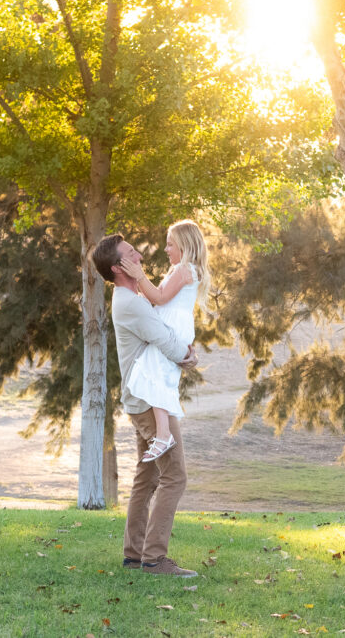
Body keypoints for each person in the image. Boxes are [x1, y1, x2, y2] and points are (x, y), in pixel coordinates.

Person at [90, 233, 199, 577]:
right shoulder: (131, 303)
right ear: (118, 267)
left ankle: (134, 554)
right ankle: (154, 558)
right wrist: (187, 355)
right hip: (149, 405)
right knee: (175, 477)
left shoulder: (131, 297)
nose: (139, 254)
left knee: (147, 479)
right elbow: (165, 339)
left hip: (141, 402)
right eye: (129, 254)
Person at [117, 220, 211, 462]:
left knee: (157, 376)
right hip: (169, 324)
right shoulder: (179, 269)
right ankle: (163, 434)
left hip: (172, 326)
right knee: (156, 375)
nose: (166, 249)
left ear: (185, 245)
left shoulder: (185, 270)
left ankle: (164, 435)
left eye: (170, 245)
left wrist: (139, 277)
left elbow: (159, 298)